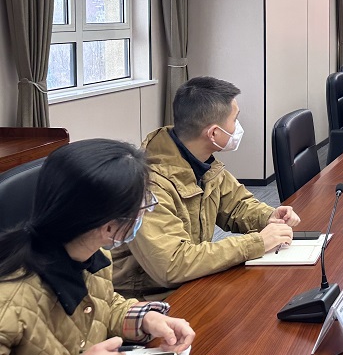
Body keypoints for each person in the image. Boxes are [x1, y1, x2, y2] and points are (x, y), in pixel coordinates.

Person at [0, 140, 196, 355]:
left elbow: (101, 305)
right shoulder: (8, 301)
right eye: (143, 204)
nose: (146, 212)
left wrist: (145, 319)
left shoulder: (92, 253)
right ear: (109, 227)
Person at [113, 77, 300, 299]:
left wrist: (268, 216)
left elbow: (237, 205)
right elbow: (172, 265)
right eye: (235, 120)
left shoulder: (201, 160)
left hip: (191, 281)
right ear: (213, 133)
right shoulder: (148, 185)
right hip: (147, 299)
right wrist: (256, 243)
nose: (238, 127)